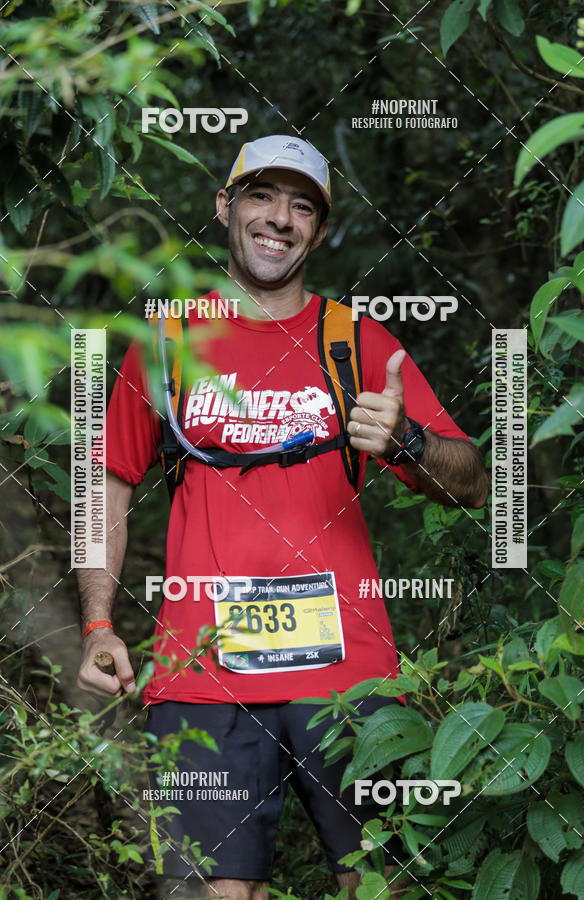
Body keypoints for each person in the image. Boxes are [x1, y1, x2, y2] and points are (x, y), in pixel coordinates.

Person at [76, 135, 489, 899]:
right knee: (213, 893)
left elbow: (473, 482)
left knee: (383, 882)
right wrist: (100, 626)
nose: (281, 218)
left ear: (320, 232)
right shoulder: (165, 343)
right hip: (206, 673)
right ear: (226, 207)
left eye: (303, 206)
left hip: (350, 674)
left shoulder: (357, 342)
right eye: (262, 196)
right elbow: (106, 488)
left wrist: (408, 439)